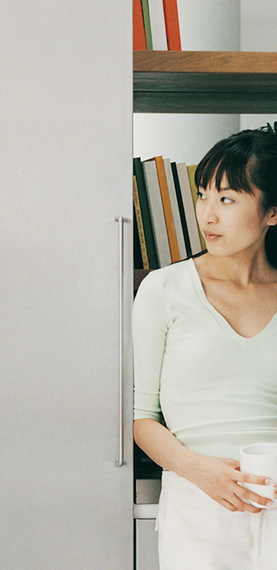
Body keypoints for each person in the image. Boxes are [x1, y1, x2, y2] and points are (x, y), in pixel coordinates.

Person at [133, 128, 277, 569]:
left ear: (272, 212)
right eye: (202, 195)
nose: (207, 215)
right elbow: (139, 416)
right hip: (198, 510)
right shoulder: (164, 289)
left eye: (227, 199)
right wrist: (198, 471)